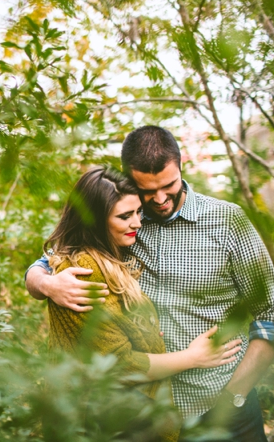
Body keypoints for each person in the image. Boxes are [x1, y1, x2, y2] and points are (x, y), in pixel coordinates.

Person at [26, 126, 274, 441]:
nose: (160, 199)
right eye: (147, 190)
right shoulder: (122, 220)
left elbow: (273, 316)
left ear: (181, 165)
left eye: (169, 185)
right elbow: (49, 263)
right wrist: (47, 285)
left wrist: (236, 394)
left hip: (222, 404)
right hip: (147, 415)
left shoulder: (228, 221)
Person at [46, 166, 242, 441]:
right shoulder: (84, 271)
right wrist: (193, 358)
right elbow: (119, 366)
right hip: (107, 422)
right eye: (125, 216)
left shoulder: (111, 255)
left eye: (138, 212)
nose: (138, 223)